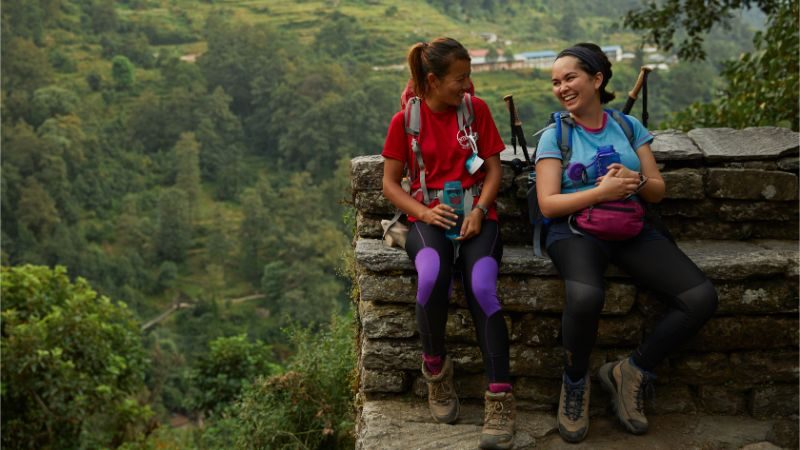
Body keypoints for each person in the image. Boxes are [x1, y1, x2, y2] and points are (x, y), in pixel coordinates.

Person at [534, 43, 718, 443]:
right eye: (556, 82)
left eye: (570, 78)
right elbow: (548, 204)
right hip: (574, 229)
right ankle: (575, 382)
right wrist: (601, 192)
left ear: (597, 79)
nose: (562, 87)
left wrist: (631, 183)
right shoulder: (555, 136)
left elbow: (656, 191)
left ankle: (631, 370)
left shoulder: (628, 127)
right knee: (585, 297)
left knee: (701, 298)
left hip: (630, 224)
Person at [382, 37, 514, 450]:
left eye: (468, 74)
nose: (468, 84)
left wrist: (479, 211)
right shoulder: (405, 121)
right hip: (429, 219)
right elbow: (390, 183)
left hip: (478, 217)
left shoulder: (476, 112)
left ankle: (500, 399)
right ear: (433, 81)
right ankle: (436, 373)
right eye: (460, 78)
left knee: (481, 289)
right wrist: (422, 214)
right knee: (431, 277)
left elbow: (493, 171)